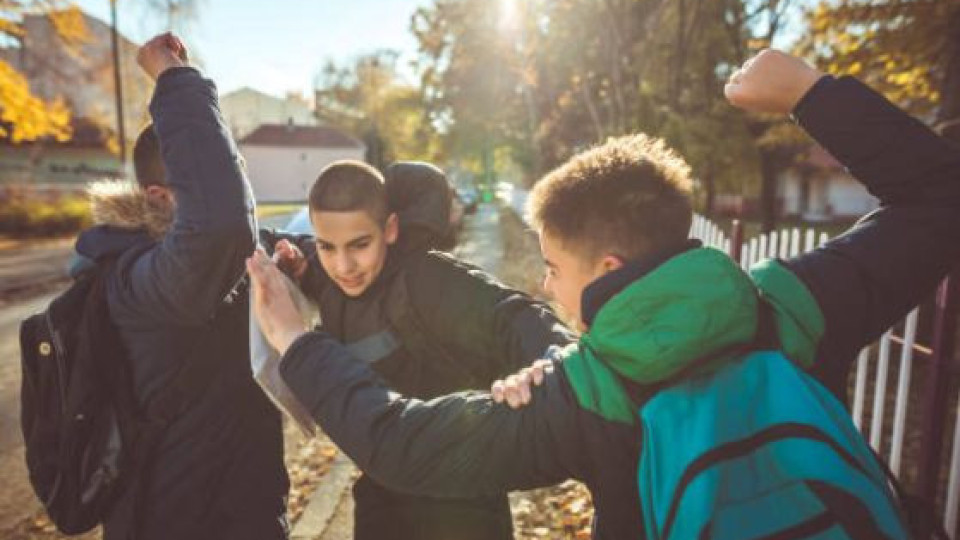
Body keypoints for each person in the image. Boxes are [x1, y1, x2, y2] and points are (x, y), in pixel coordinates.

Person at [249, 49, 960, 538]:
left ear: (610, 266)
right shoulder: (794, 308)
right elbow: (939, 196)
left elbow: (400, 444)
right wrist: (810, 91)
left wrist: (295, 342)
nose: (543, 282)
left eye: (553, 265)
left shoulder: (587, 397)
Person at [266, 160, 573, 540]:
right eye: (327, 247)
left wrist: (553, 359)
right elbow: (301, 257)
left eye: (360, 245)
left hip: (461, 504)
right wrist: (300, 266)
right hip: (382, 495)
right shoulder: (327, 276)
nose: (343, 266)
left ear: (390, 228)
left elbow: (514, 316)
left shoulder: (428, 279)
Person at [73, 33, 288, 539]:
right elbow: (220, 222)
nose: (229, 186)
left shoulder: (208, 260)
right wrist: (173, 77)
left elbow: (239, 224)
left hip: (247, 512)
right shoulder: (136, 277)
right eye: (201, 180)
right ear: (158, 196)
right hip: (170, 523)